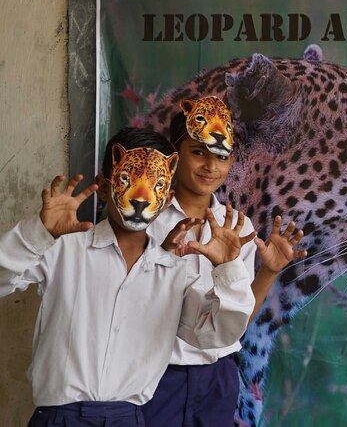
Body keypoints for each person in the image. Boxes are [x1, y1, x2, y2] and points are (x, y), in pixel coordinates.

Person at [0, 127, 257, 427]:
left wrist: (228, 270)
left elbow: (215, 334)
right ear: (104, 187)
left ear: (167, 197)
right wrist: (38, 234)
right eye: (128, 180)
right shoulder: (63, 250)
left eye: (155, 186)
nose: (140, 197)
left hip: (131, 418)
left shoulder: (172, 271)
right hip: (60, 417)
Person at [142, 96, 306, 427]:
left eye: (221, 155)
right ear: (175, 157)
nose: (210, 166)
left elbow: (237, 323)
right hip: (157, 373)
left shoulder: (239, 228)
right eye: (198, 152)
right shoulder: (147, 220)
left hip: (218, 377)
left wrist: (270, 271)